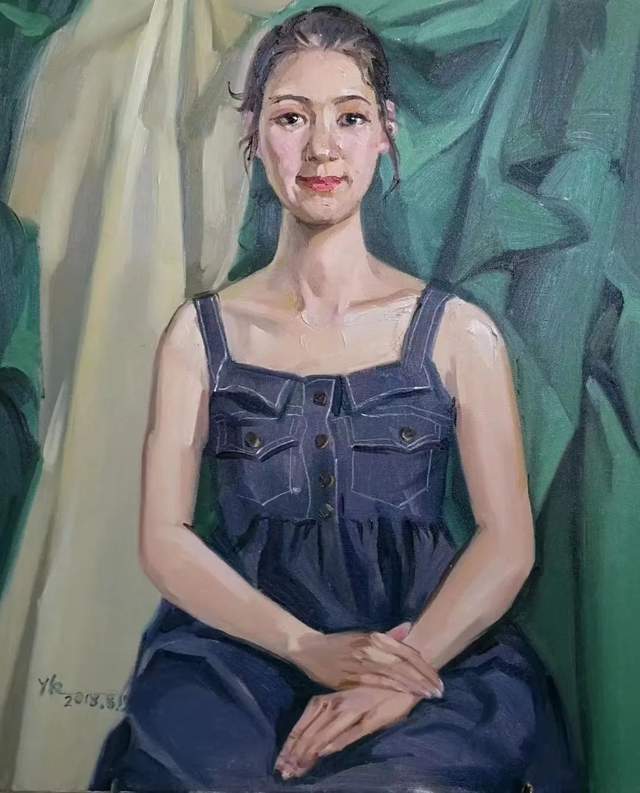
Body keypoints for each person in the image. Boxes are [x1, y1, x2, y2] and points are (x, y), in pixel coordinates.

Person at [90, 6, 580, 792]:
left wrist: (396, 675)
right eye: (292, 117)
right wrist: (305, 646)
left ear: (385, 131)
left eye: (349, 117)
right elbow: (164, 537)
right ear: (254, 133)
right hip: (238, 658)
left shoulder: (459, 331)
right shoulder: (198, 334)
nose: (322, 147)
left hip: (430, 651)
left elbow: (506, 541)